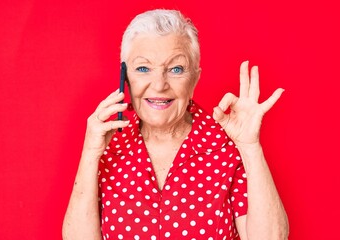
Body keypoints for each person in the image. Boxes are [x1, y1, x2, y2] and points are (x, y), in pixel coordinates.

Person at [62, 9, 289, 240]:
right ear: (125, 77)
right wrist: (90, 154)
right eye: (143, 68)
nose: (159, 85)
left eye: (176, 69)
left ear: (195, 78)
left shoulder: (227, 147)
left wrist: (250, 147)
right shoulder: (107, 149)